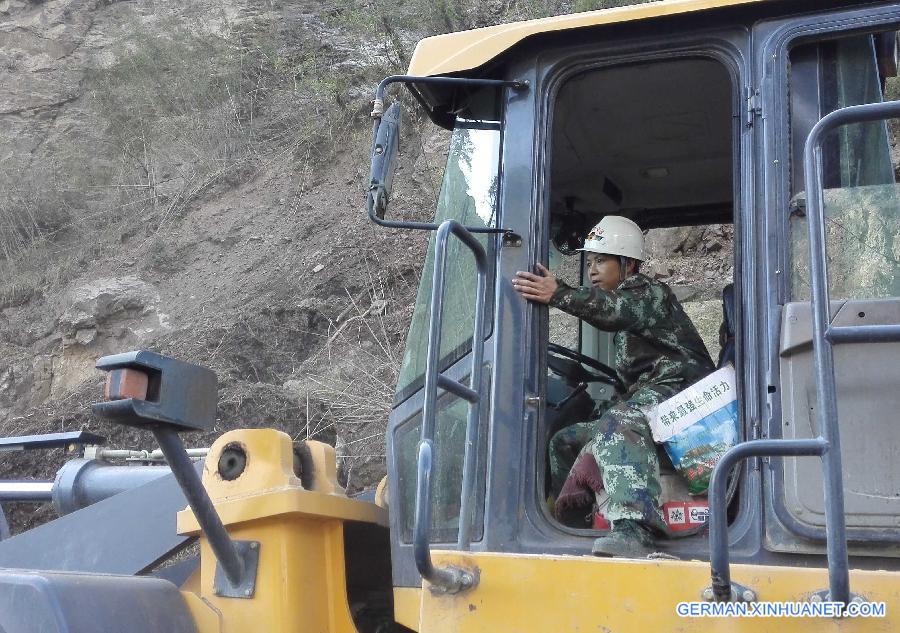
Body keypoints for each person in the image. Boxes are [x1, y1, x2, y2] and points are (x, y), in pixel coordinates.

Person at [512, 216, 714, 557]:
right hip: (654, 395)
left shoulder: (648, 293)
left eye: (601, 261)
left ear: (629, 263)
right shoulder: (626, 312)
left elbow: (613, 311)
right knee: (565, 440)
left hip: (682, 392)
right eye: (590, 263)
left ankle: (633, 528)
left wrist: (558, 293)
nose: (592, 270)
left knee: (620, 421)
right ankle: (572, 525)